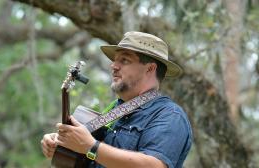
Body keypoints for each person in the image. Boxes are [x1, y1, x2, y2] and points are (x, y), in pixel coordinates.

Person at [41, 31, 193, 168]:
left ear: (150, 69)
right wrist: (62, 144)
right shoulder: (115, 110)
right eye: (115, 60)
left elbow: (154, 165)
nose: (114, 66)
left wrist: (91, 146)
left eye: (125, 60)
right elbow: (86, 154)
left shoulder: (170, 115)